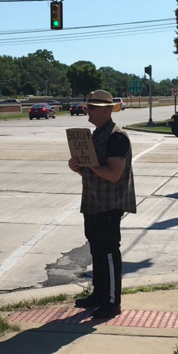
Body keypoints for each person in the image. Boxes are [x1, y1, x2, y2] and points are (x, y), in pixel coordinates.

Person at [67, 89, 137, 319]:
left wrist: (90, 164)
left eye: (93, 107)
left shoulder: (116, 137)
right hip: (93, 203)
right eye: (89, 106)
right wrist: (80, 168)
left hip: (109, 205)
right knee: (96, 250)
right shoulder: (96, 135)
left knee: (108, 253)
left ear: (107, 110)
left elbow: (114, 174)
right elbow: (96, 173)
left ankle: (112, 302)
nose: (88, 111)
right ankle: (99, 295)